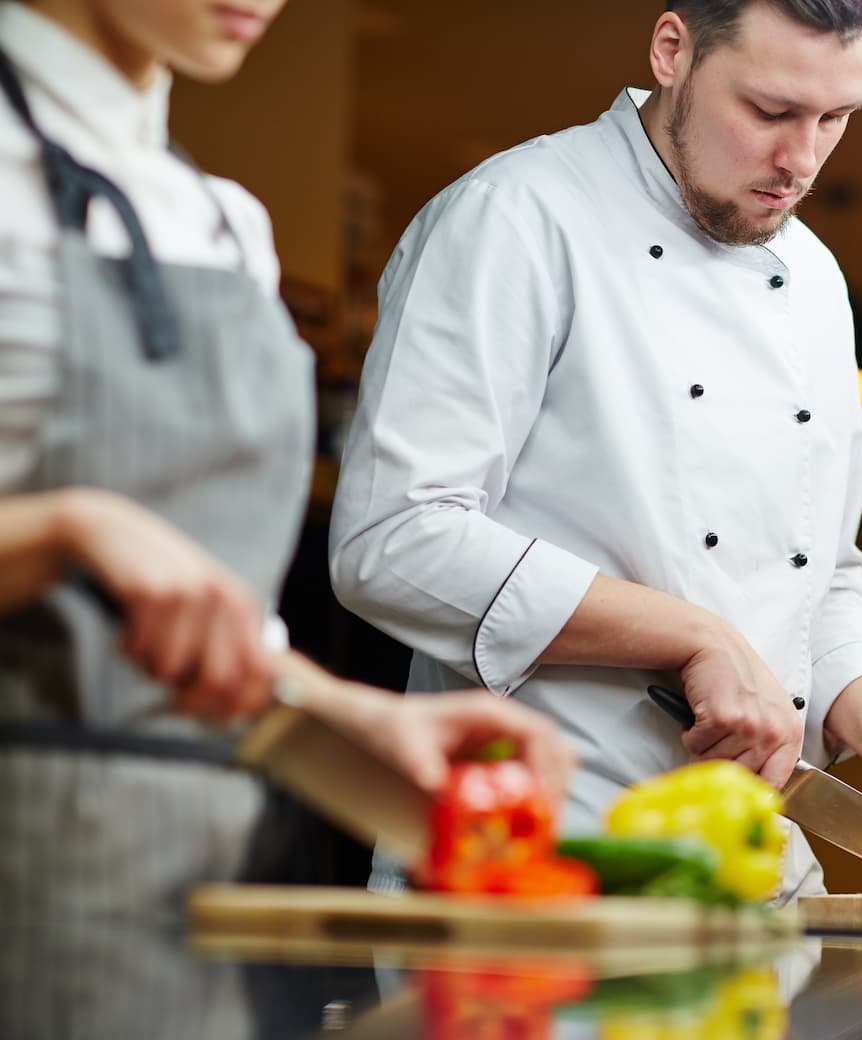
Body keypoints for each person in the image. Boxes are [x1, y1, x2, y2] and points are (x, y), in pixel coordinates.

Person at [329, 0, 862, 899]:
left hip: (763, 880)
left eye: (836, 118)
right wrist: (694, 636)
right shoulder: (514, 219)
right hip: (538, 867)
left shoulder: (813, 277)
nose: (801, 160)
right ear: (672, 51)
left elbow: (820, 576)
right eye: (770, 112)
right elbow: (393, 539)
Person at [0, 0, 574, 917]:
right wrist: (74, 529)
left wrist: (357, 716)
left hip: (210, 870)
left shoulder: (223, 222)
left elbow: (219, 638)